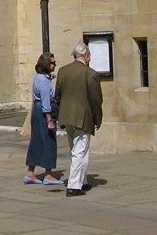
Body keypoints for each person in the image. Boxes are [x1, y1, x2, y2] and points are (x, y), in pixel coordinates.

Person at [53, 43, 103, 197]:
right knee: (79, 152)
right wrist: (98, 118)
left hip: (67, 117)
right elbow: (96, 100)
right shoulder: (90, 74)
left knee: (78, 151)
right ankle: (74, 186)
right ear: (85, 56)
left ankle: (83, 180)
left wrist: (61, 112)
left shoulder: (63, 71)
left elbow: (57, 96)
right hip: (82, 118)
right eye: (89, 56)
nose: (89, 59)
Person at [23, 52, 61, 185]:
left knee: (37, 141)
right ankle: (48, 174)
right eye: (52, 63)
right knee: (49, 142)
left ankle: (30, 172)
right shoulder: (44, 81)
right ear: (46, 64)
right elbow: (46, 101)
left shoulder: (39, 77)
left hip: (37, 110)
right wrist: (49, 120)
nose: (55, 64)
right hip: (44, 112)